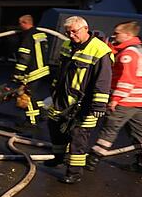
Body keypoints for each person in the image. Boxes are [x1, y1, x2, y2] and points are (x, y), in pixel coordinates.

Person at [44, 15, 112, 184]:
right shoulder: (67, 45)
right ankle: (58, 158)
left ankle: (74, 173)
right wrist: (53, 89)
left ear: (85, 29)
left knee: (78, 139)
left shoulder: (100, 50)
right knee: (55, 128)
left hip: (83, 104)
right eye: (68, 32)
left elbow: (103, 80)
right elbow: (61, 70)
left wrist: (98, 105)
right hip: (62, 100)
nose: (71, 35)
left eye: (74, 31)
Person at [86, 21, 142, 176]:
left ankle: (92, 160)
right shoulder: (139, 50)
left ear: (128, 35)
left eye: (117, 33)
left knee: (110, 128)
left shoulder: (129, 54)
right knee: (138, 132)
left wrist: (115, 99)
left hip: (127, 100)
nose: (114, 35)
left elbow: (126, 79)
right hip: (140, 100)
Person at [11, 14, 50, 125]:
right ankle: (42, 114)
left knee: (27, 95)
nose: (19, 26)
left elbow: (24, 57)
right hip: (43, 69)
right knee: (35, 94)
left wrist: (17, 73)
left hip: (33, 71)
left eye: (20, 24)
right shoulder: (40, 34)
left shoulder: (28, 37)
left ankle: (31, 122)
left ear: (25, 23)